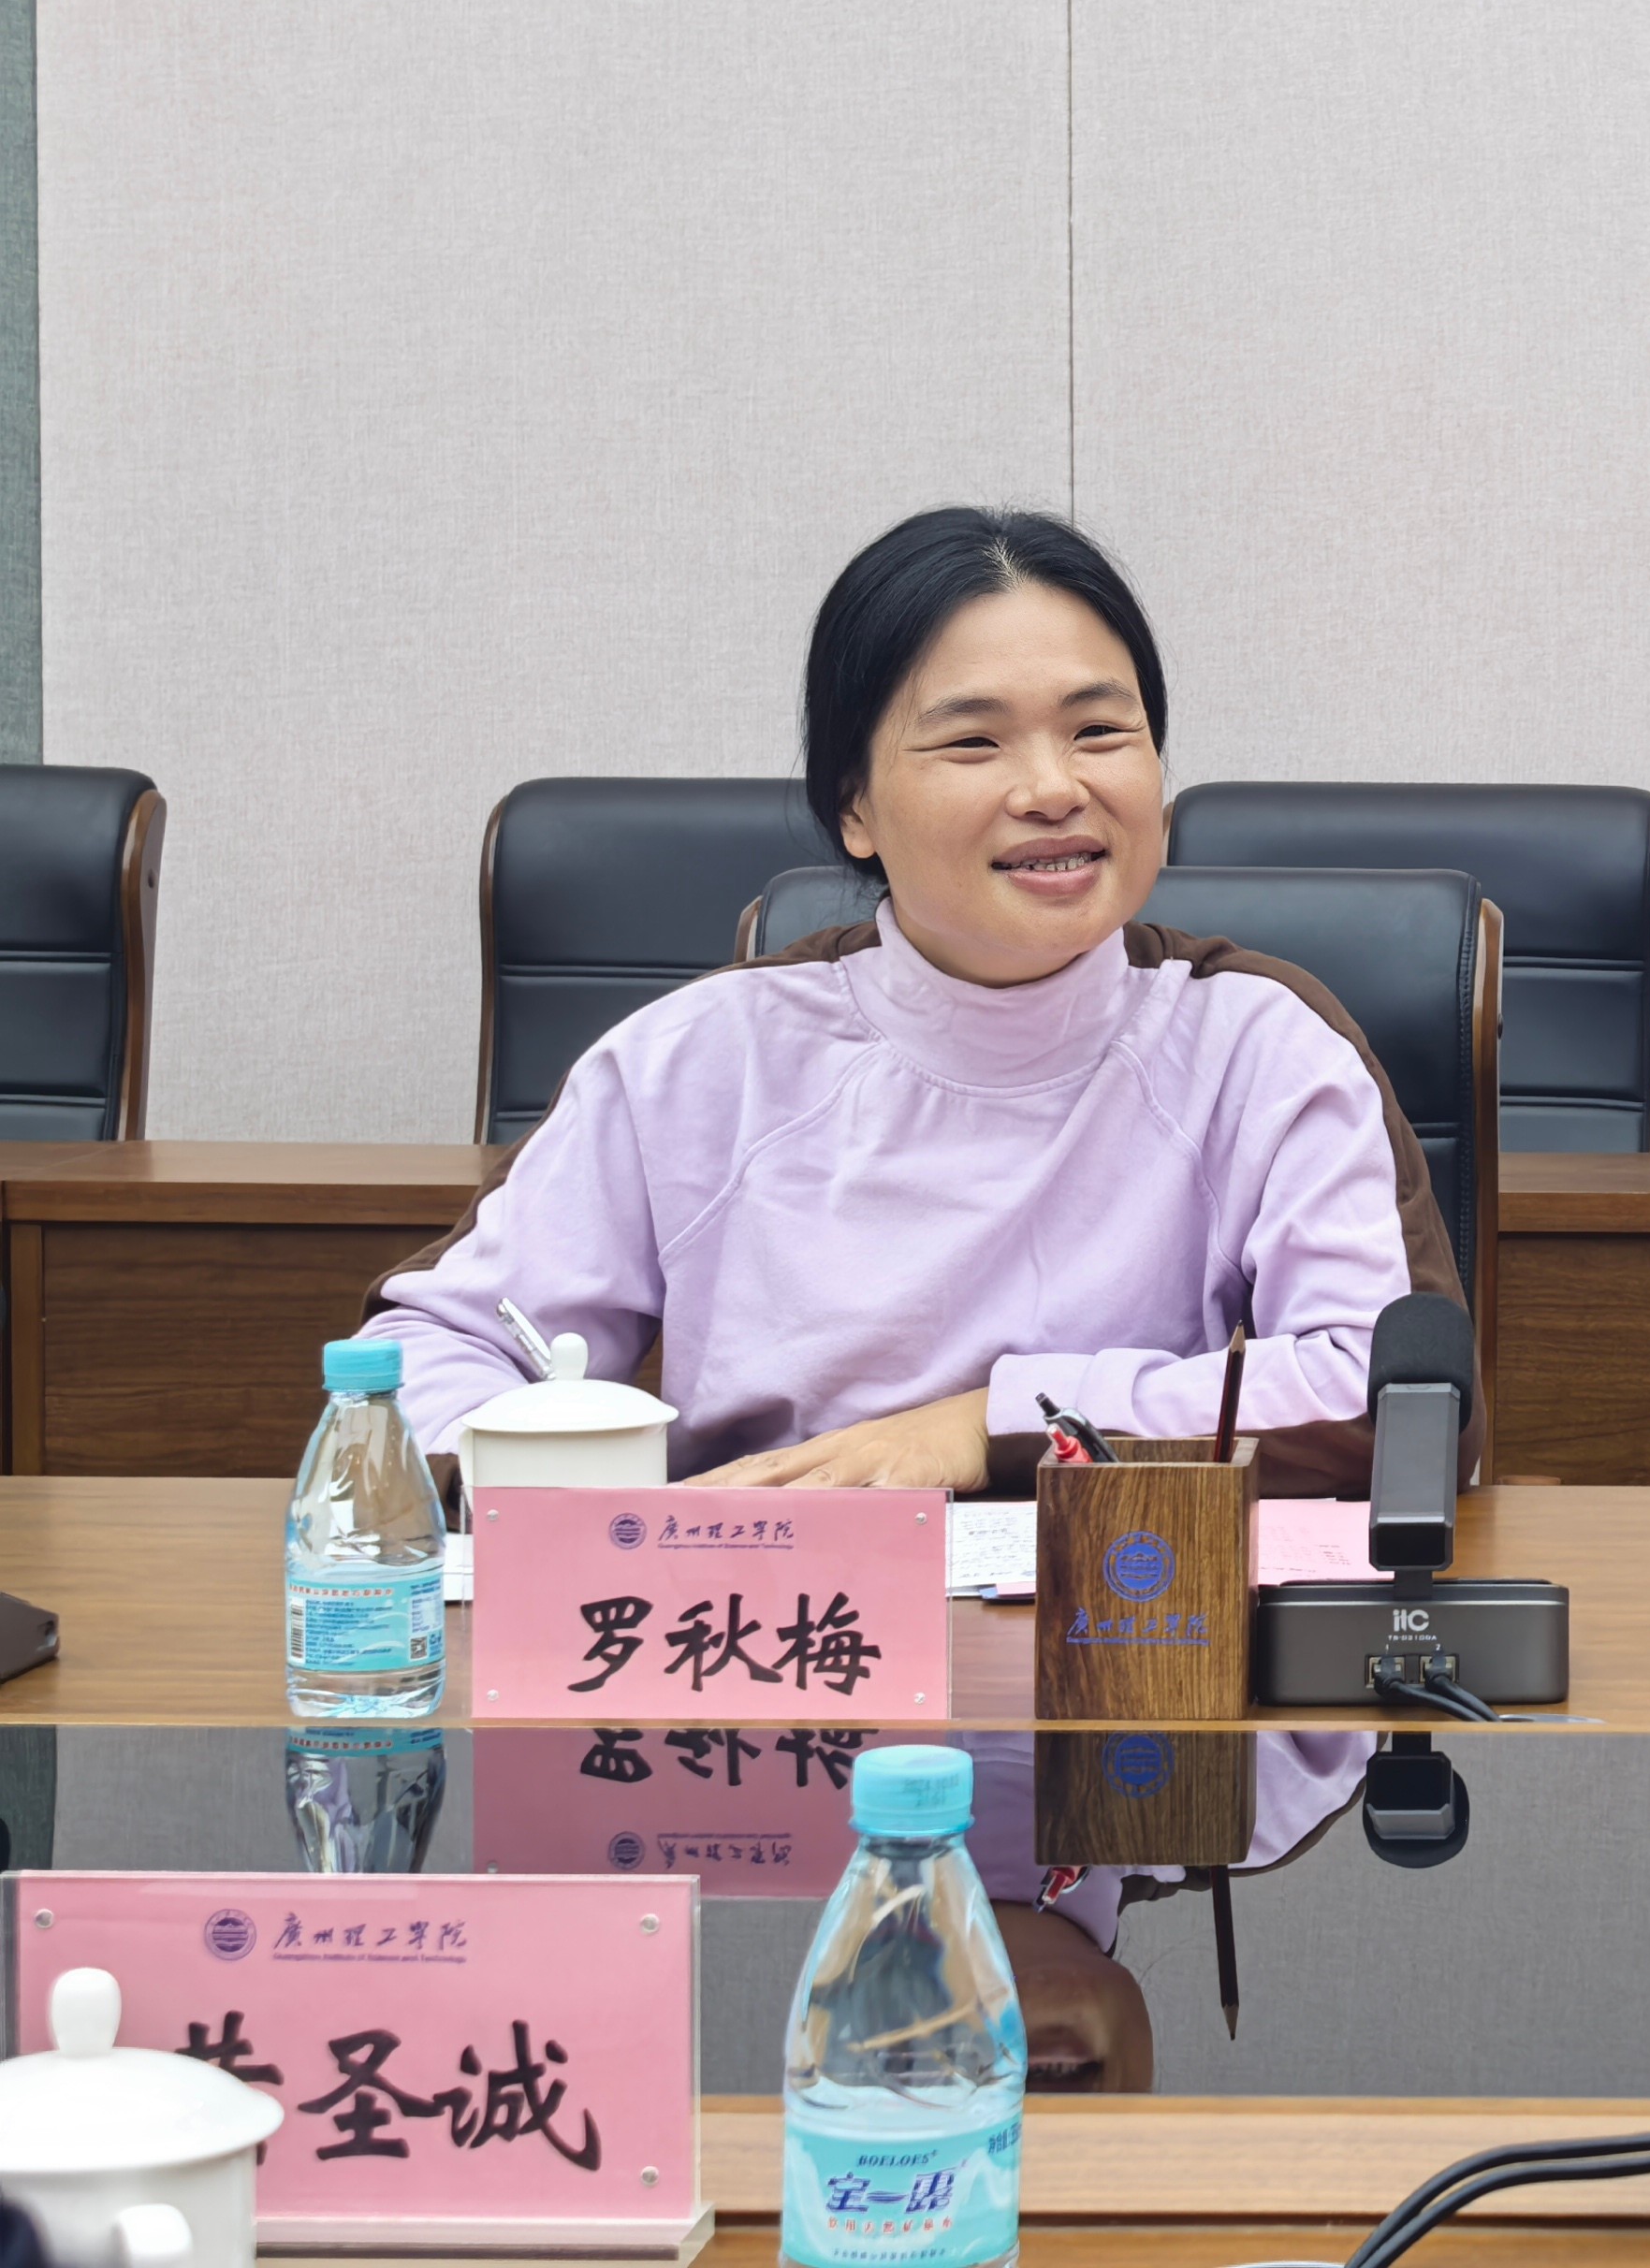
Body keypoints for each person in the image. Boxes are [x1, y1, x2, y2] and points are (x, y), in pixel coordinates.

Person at [360, 502, 1447, 2076]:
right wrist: (589, 1491)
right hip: (743, 1713)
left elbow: (1381, 1395)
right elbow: (429, 1360)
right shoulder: (713, 1059)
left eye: (1102, 731)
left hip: (1134, 1705)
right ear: (855, 806)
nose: (1054, 786)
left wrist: (981, 1426)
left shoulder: (1251, 1046)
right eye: (973, 740)